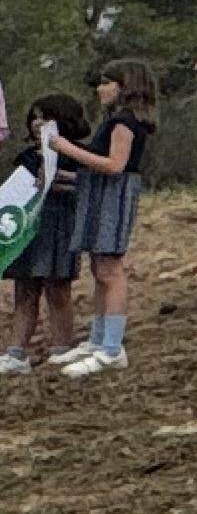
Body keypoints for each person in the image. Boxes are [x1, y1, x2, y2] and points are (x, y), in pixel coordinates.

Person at [39, 59, 157, 374]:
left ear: (125, 86)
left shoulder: (125, 123)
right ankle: (98, 338)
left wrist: (65, 147)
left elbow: (115, 165)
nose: (100, 89)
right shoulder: (115, 120)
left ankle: (111, 347)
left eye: (107, 82)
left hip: (113, 197)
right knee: (99, 267)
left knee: (110, 270)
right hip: (99, 194)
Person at [5, 97, 86, 374]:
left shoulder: (78, 155)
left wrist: (59, 181)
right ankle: (15, 353)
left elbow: (87, 188)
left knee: (58, 290)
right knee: (25, 291)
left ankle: (62, 348)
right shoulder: (27, 158)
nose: (37, 123)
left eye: (46, 117)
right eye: (35, 117)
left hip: (59, 227)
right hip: (28, 230)